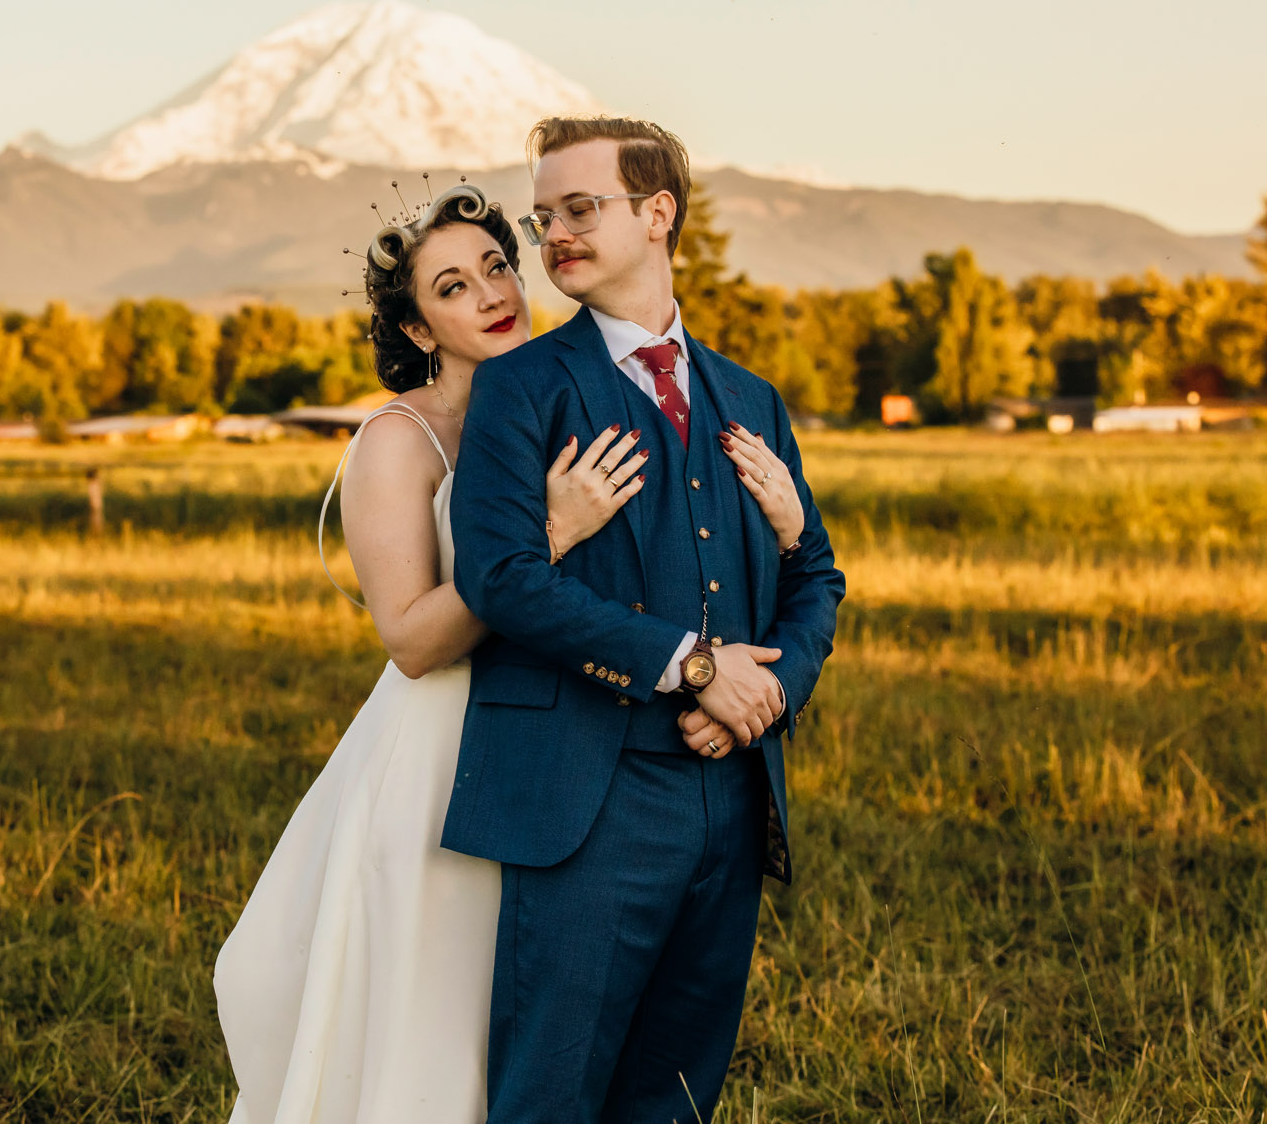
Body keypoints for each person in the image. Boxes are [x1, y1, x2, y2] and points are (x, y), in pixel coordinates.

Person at [213, 180, 812, 1123]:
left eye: (497, 266)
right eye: (452, 287)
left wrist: (779, 537)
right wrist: (543, 536)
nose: (492, 295)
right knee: (437, 1010)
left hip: (567, 738)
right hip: (441, 747)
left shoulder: (557, 398)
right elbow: (410, 640)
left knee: (543, 1011)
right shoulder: (397, 442)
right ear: (416, 328)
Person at [446, 118, 846, 1123]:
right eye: (543, 219)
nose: (554, 236)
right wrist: (695, 665)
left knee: (676, 1093)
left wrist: (765, 693)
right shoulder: (519, 388)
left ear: (656, 212)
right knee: (550, 1090)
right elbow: (499, 578)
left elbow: (817, 575)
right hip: (589, 795)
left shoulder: (749, 396)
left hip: (729, 795)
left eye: (579, 209)